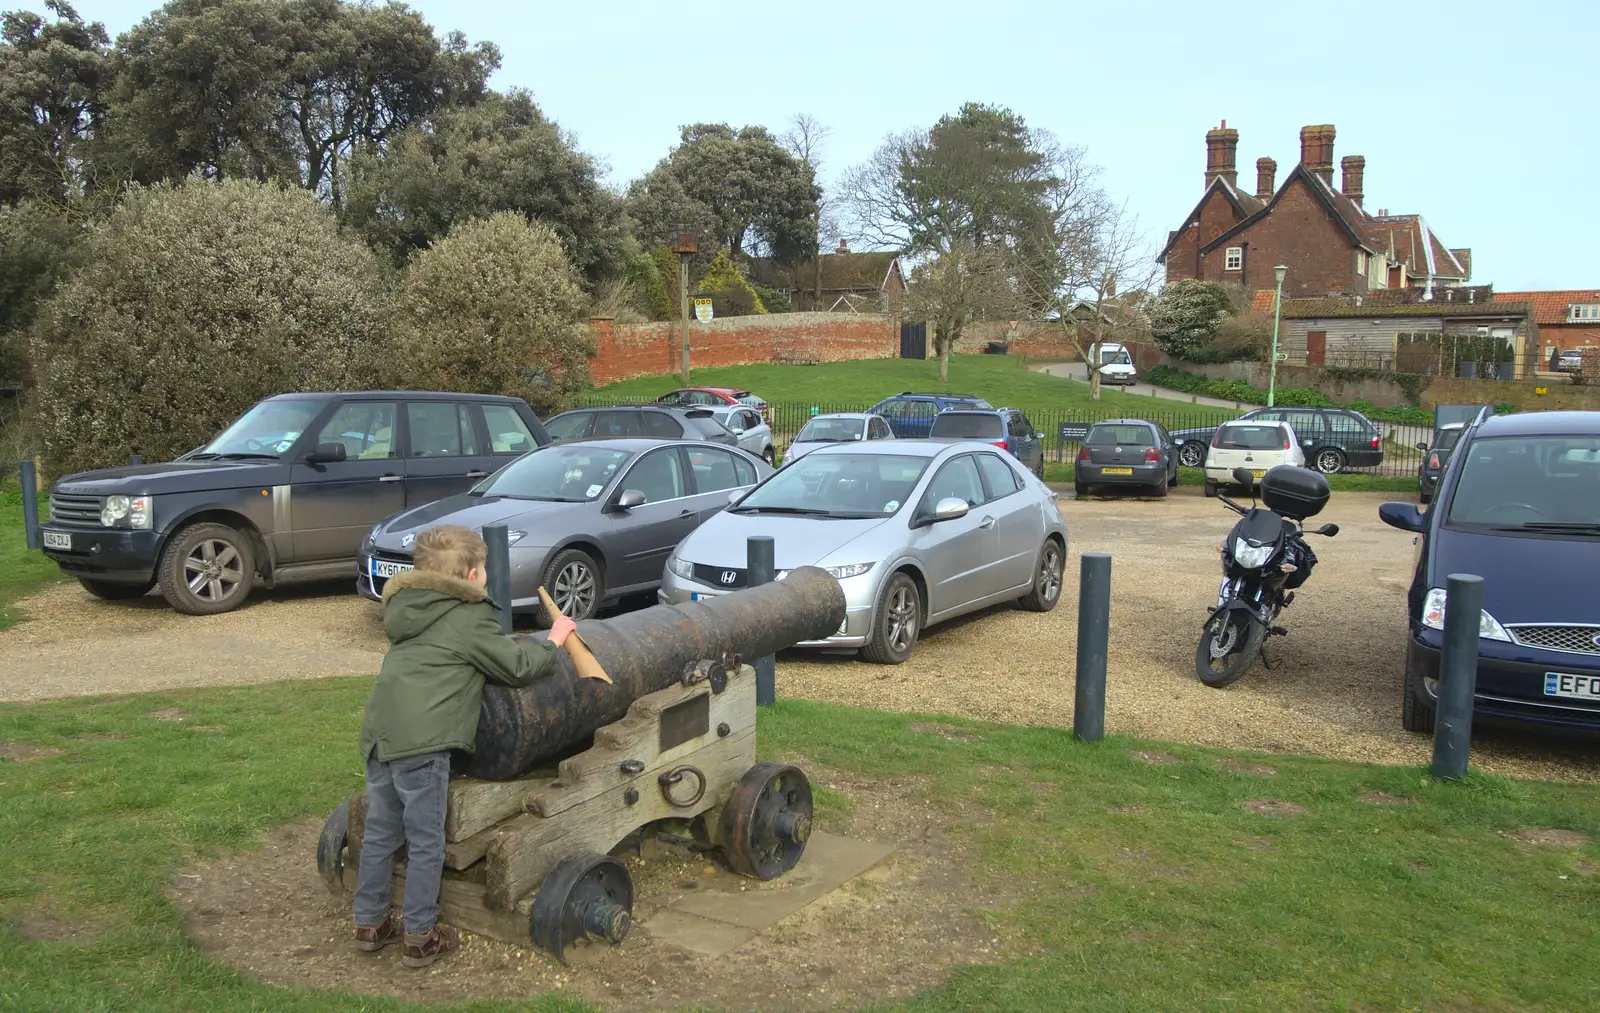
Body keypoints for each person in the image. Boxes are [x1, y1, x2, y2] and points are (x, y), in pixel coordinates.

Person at [352, 524, 576, 968]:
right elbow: (515, 665)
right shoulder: (467, 615)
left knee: (381, 831)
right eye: (485, 570)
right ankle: (420, 933)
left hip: (381, 734)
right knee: (426, 837)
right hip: (423, 742)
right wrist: (555, 638)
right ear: (472, 576)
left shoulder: (407, 608)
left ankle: (370, 922)